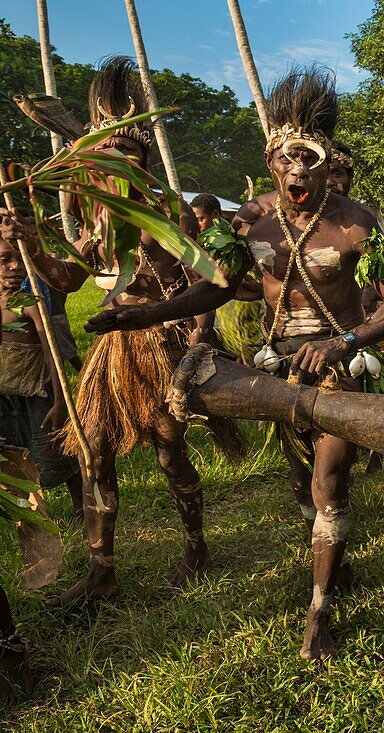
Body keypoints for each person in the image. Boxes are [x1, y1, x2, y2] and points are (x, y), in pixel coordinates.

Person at [84, 67, 384, 660]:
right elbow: (217, 287)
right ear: (271, 160)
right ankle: (329, 558)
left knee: (328, 484)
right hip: (276, 364)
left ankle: (318, 612)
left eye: (312, 159)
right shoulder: (251, 222)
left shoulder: (357, 222)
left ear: (326, 159)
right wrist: (146, 314)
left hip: (337, 362)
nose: (300, 172)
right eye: (289, 159)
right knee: (300, 483)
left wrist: (346, 343)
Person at [0, 57, 217, 608]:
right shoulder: (100, 222)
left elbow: (208, 289)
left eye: (125, 155)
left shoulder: (170, 217)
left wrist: (192, 355)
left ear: (141, 162)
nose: (110, 170)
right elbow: (69, 278)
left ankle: (196, 546)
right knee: (94, 453)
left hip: (163, 345)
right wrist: (32, 246)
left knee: (170, 453)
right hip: (112, 349)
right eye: (103, 159)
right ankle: (103, 576)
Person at [0, 238, 82, 521]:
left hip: (39, 392)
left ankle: (81, 504)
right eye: (4, 260)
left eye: (20, 260)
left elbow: (53, 354)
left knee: (54, 452)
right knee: (14, 452)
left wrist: (61, 403)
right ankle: (26, 509)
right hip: (7, 394)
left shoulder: (30, 301)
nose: (13, 267)